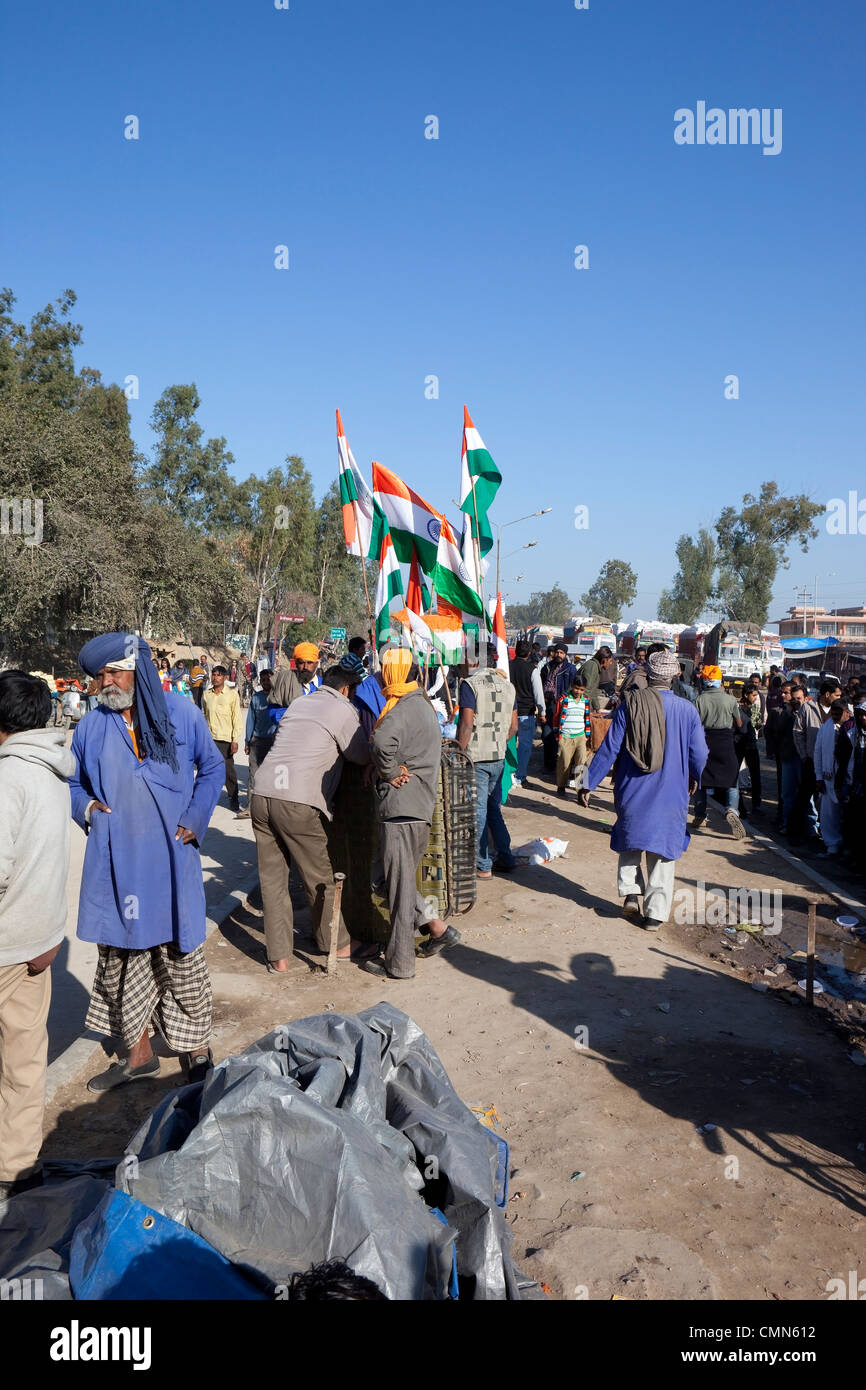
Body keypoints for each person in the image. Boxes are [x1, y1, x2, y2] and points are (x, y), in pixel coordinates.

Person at [70, 633, 224, 1091]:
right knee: (120, 959)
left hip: (173, 862)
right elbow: (73, 784)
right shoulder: (91, 727)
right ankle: (138, 1055)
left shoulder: (181, 714)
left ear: (136, 671)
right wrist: (90, 810)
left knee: (181, 955)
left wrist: (196, 817)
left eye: (113, 673)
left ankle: (195, 1047)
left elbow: (213, 767)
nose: (105, 683)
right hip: (117, 866)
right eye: (100, 676)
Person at [0, 673, 75, 1198]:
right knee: (23, 1062)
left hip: (6, 943)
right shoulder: (52, 772)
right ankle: (16, 1167)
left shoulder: (9, 780)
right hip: (38, 939)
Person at [250, 658, 374, 971]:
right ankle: (338, 943)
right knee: (319, 878)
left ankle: (278, 957)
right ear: (347, 688)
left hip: (263, 792)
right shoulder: (343, 709)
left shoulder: (300, 704)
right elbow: (359, 754)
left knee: (273, 879)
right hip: (298, 800)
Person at [584, 650, 708, 929]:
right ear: (675, 675)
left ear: (648, 675)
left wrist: (587, 783)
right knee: (662, 851)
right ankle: (654, 915)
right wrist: (695, 778)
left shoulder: (630, 705)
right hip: (671, 791)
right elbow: (699, 754)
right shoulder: (687, 710)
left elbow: (609, 748)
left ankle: (630, 892)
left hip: (632, 787)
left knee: (631, 839)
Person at [361, 650, 459, 980]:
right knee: (388, 881)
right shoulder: (419, 706)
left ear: (397, 674)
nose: (379, 677)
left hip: (402, 809)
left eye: (384, 672)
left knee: (398, 889)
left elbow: (381, 744)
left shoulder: (404, 708)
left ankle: (400, 963)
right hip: (414, 810)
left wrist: (386, 772)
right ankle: (438, 928)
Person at [457, 644, 517, 879]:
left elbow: (466, 724)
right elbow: (513, 727)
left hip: (477, 758)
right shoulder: (508, 686)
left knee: (479, 811)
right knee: (492, 809)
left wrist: (458, 752)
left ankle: (482, 865)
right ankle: (505, 855)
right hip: (498, 756)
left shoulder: (470, 685)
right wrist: (498, 742)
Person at [692, 665, 745, 838]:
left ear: (705, 681)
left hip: (705, 742)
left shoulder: (699, 700)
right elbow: (739, 724)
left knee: (701, 778)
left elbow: (694, 723)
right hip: (725, 743)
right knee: (732, 777)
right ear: (720, 681)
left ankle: (700, 815)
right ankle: (731, 809)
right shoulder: (730, 700)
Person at [789, 677, 841, 848]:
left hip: (832, 763)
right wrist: (804, 755)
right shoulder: (808, 708)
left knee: (827, 802)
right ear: (828, 694)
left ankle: (825, 835)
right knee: (804, 797)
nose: (839, 698)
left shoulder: (839, 709)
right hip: (812, 761)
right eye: (836, 695)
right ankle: (794, 833)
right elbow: (798, 732)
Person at [202, 665, 244, 815]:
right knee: (208, 771)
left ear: (225, 678)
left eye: (218, 675)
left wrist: (235, 740)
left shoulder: (232, 695)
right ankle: (207, 801)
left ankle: (234, 800)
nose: (215, 677)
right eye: (213, 674)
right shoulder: (206, 695)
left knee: (229, 773)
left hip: (226, 739)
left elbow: (236, 718)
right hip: (210, 739)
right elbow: (204, 716)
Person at [235, 669, 277, 820]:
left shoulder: (280, 697)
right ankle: (250, 807)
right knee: (254, 775)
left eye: (268, 679)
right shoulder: (256, 698)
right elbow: (250, 721)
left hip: (275, 743)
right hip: (257, 742)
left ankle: (272, 810)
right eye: (263, 679)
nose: (266, 682)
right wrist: (248, 741)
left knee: (274, 776)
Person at [814, 698, 849, 857]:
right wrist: (819, 776)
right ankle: (832, 845)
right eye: (832, 713)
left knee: (848, 815)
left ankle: (847, 846)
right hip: (828, 778)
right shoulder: (826, 727)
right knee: (828, 814)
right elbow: (818, 752)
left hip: (848, 779)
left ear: (847, 713)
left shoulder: (852, 728)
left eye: (838, 713)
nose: (834, 716)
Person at [510, 639, 545, 788]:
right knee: (524, 746)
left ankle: (508, 775)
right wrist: (542, 711)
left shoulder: (507, 666)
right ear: (529, 652)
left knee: (509, 743)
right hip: (526, 712)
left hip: (509, 711)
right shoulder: (532, 669)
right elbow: (538, 693)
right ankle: (520, 776)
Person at [554, 671, 592, 798]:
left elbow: (587, 718)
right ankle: (561, 786)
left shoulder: (586, 700)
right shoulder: (564, 699)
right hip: (565, 736)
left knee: (581, 763)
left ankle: (581, 791)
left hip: (581, 736)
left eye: (581, 689)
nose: (578, 692)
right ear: (572, 686)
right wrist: (557, 735)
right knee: (564, 763)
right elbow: (556, 717)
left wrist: (587, 735)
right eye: (576, 688)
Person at [735, 685, 763, 817]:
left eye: (756, 695)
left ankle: (756, 805)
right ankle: (739, 805)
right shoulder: (737, 708)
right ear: (746, 695)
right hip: (739, 744)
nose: (755, 697)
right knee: (736, 776)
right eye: (753, 695)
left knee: (755, 776)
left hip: (752, 744)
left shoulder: (756, 708)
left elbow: (757, 723)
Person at [579, 645, 616, 710]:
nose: (610, 663)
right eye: (610, 661)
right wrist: (585, 710)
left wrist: (597, 708)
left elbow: (593, 692)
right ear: (604, 660)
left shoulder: (596, 667)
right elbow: (586, 691)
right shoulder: (592, 667)